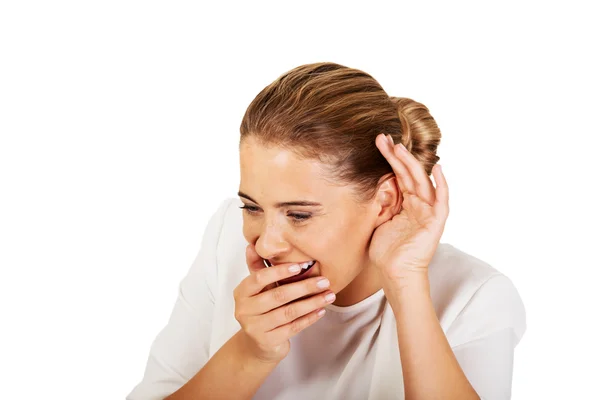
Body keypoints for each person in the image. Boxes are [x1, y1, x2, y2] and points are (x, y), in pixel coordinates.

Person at [127, 62, 526, 400]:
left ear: (385, 201)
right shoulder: (226, 241)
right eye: (251, 207)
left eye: (298, 215)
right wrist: (252, 352)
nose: (266, 242)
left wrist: (406, 284)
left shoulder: (475, 296)